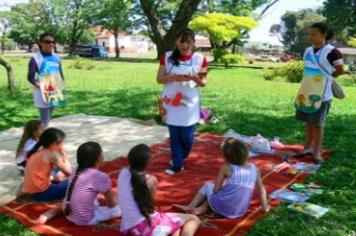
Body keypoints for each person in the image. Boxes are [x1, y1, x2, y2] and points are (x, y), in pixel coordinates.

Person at [174, 138, 270, 217]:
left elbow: (216, 190)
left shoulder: (226, 167)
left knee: (208, 186)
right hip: (238, 212)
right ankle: (201, 208)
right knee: (222, 194)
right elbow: (261, 190)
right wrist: (264, 207)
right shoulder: (255, 169)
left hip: (221, 206)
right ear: (246, 152)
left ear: (226, 156)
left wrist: (223, 190)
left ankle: (191, 206)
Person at [118, 144, 200, 236]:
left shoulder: (122, 173)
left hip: (128, 227)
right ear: (149, 162)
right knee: (193, 219)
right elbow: (149, 206)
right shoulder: (151, 180)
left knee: (176, 228)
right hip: (147, 227)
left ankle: (169, 229)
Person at [157, 28, 208, 175]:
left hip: (189, 103)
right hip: (171, 101)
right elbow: (159, 79)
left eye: (188, 42)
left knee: (186, 135)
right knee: (174, 134)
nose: (184, 45)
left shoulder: (200, 59)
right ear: (176, 41)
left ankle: (182, 155)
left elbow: (203, 83)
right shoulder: (166, 57)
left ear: (193, 42)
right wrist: (173, 77)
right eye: (181, 41)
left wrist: (194, 78)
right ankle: (177, 163)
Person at [36, 142, 121, 224]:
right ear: (99, 158)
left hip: (69, 213)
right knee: (121, 209)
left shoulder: (75, 170)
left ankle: (53, 212)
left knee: (84, 196)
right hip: (86, 220)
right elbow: (111, 205)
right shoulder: (101, 177)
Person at [295, 22, 344, 163]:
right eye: (310, 34)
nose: (311, 37)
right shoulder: (308, 51)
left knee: (318, 124)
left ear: (324, 34)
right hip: (307, 92)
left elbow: (339, 70)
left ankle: (316, 152)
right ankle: (307, 148)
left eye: (314, 34)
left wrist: (327, 80)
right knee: (309, 123)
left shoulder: (333, 52)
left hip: (323, 94)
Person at [22, 128, 72, 201]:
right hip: (41, 194)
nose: (63, 145)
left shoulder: (39, 150)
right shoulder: (51, 155)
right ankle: (55, 179)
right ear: (54, 144)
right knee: (78, 180)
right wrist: (64, 154)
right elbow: (69, 172)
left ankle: (53, 178)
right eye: (62, 143)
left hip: (31, 191)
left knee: (59, 169)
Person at [28, 33, 66, 127]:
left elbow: (60, 73)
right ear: (41, 43)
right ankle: (43, 138)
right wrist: (41, 87)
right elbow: (30, 77)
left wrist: (62, 90)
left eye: (53, 42)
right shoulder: (36, 58)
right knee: (44, 118)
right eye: (47, 42)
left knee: (49, 116)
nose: (51, 44)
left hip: (56, 88)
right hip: (42, 90)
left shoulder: (56, 57)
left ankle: (40, 133)